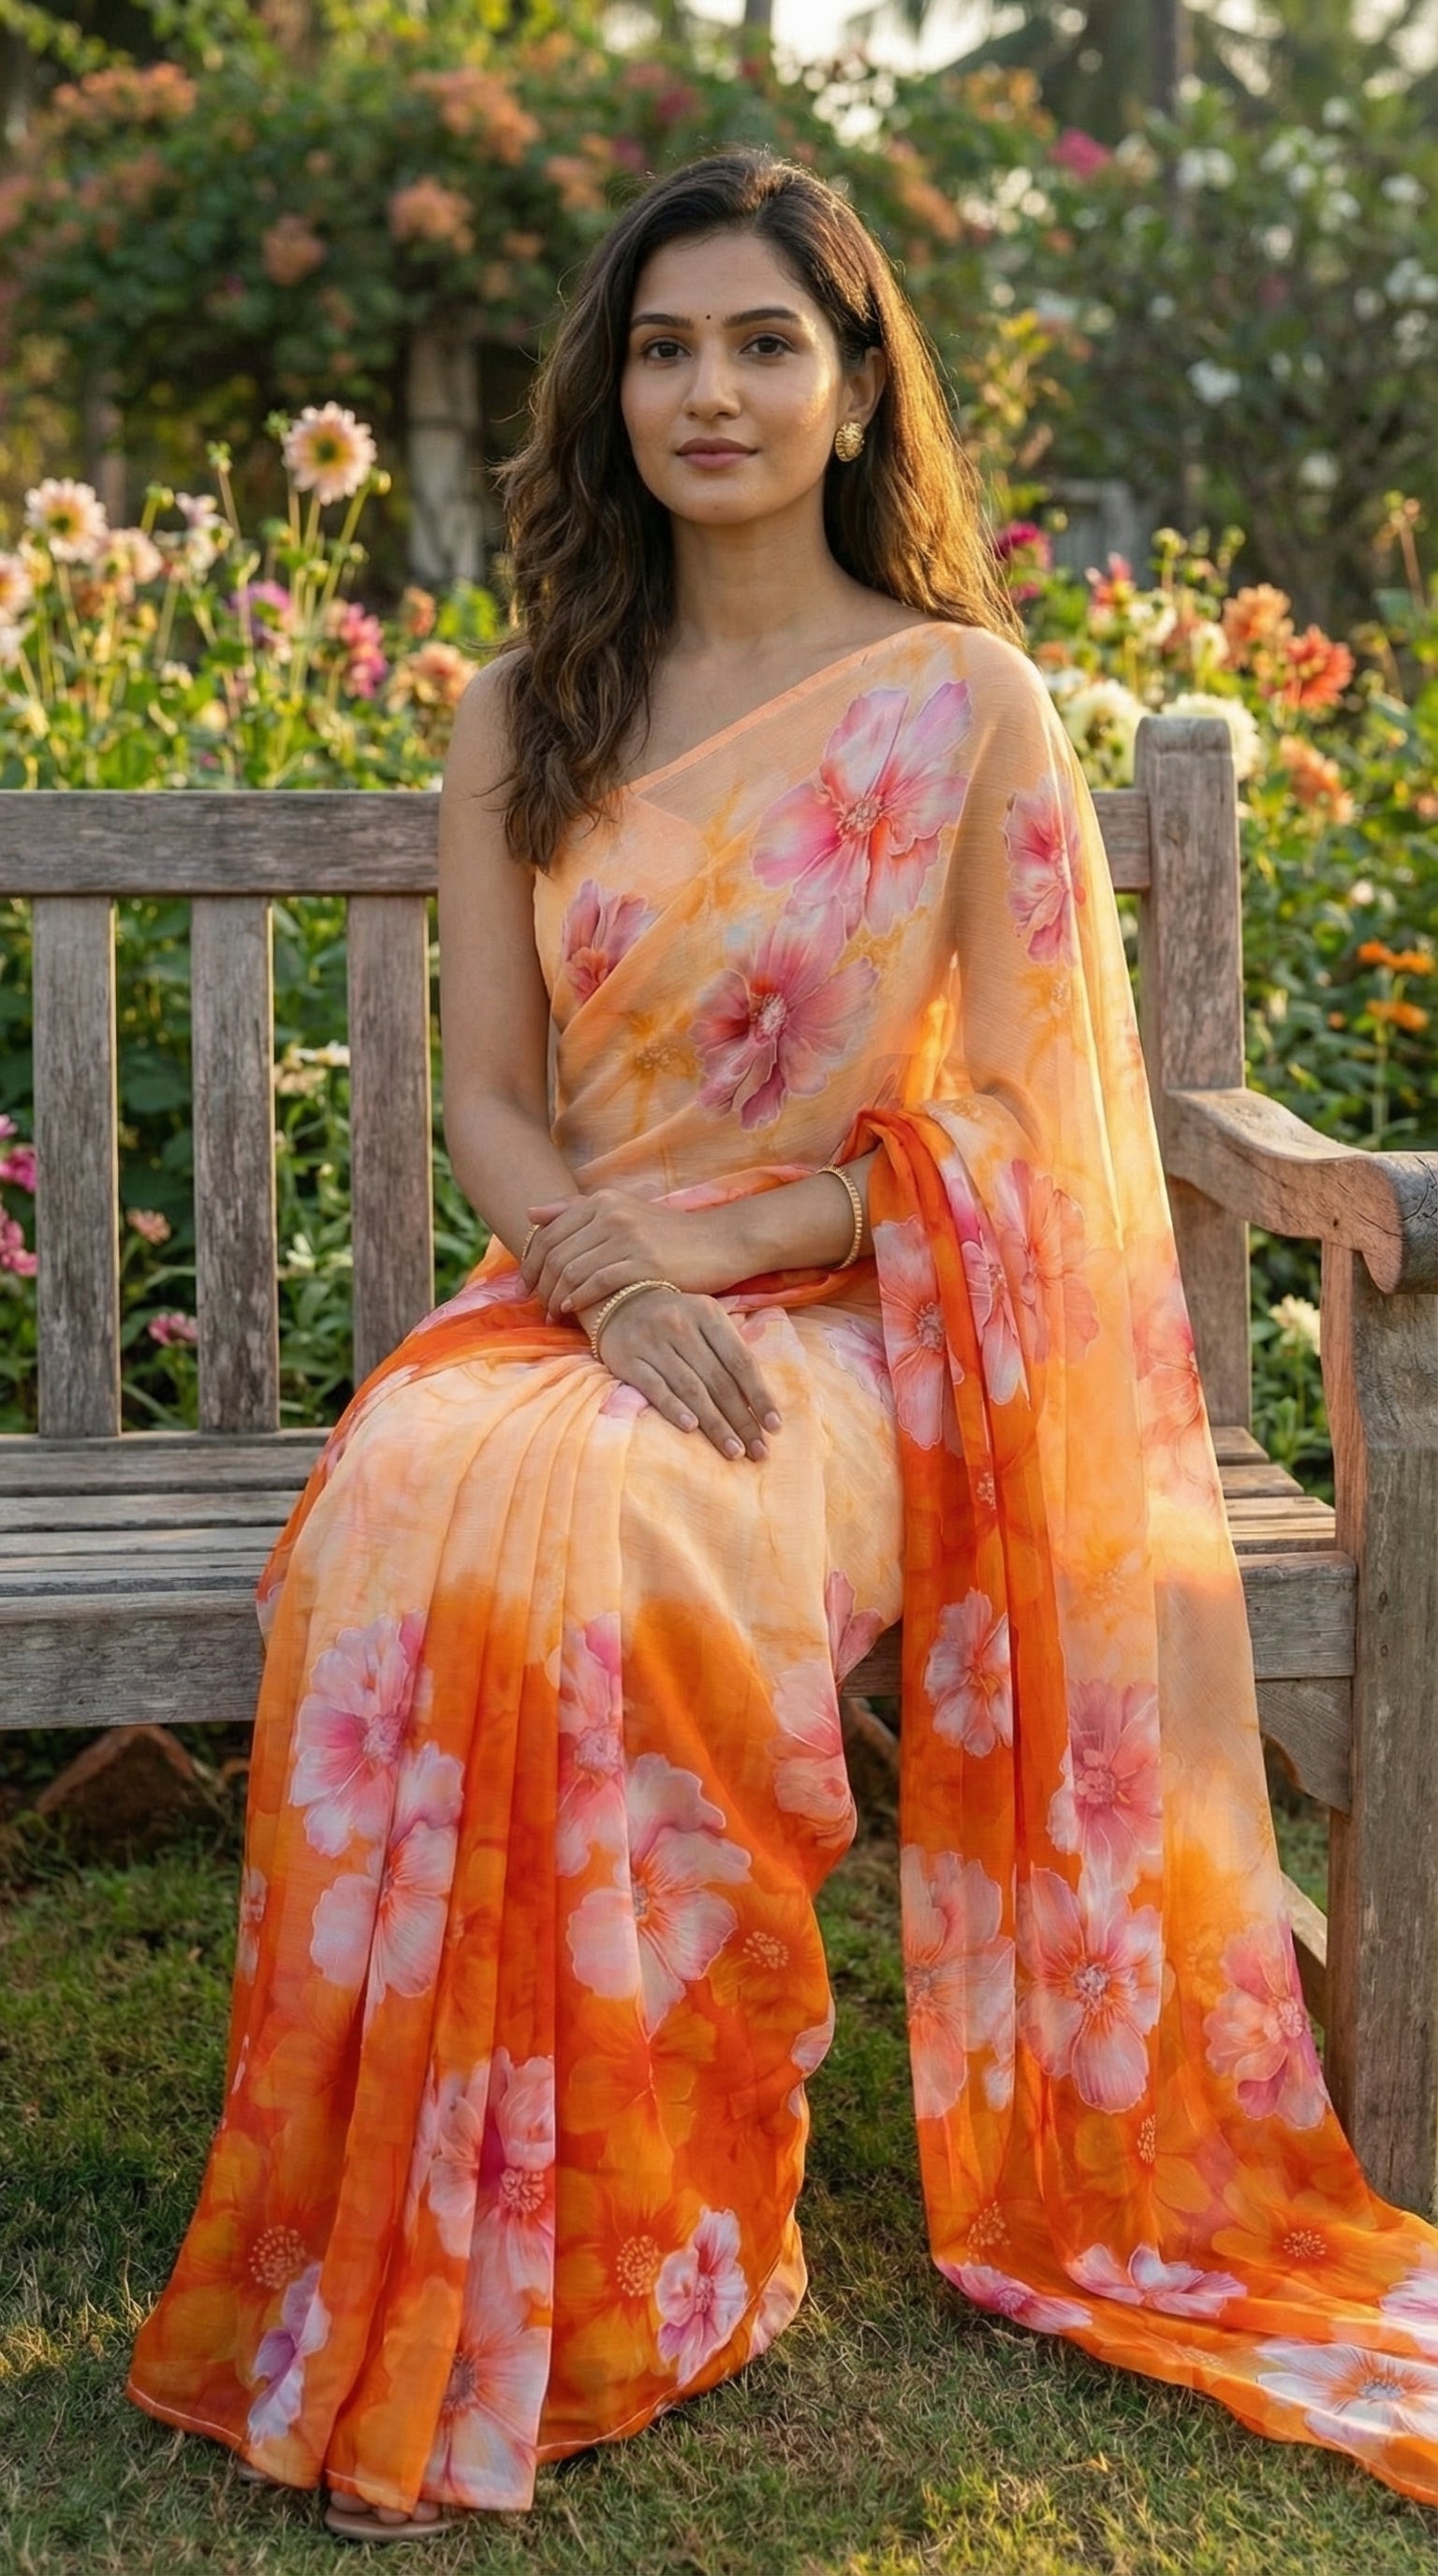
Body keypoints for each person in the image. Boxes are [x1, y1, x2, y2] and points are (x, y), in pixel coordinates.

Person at [127, 147, 1438, 2541]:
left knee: (622, 1530)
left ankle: (652, 2237)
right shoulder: (531, 698)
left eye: (761, 344)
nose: (707, 390)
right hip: (572, 1292)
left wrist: (768, 1236)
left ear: (853, 394)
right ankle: (449, 2210)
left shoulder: (964, 704)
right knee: (413, 1514)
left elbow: (1037, 1127)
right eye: (662, 346)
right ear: (609, 392)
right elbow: (505, 1106)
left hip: (862, 1318)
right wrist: (615, 1278)